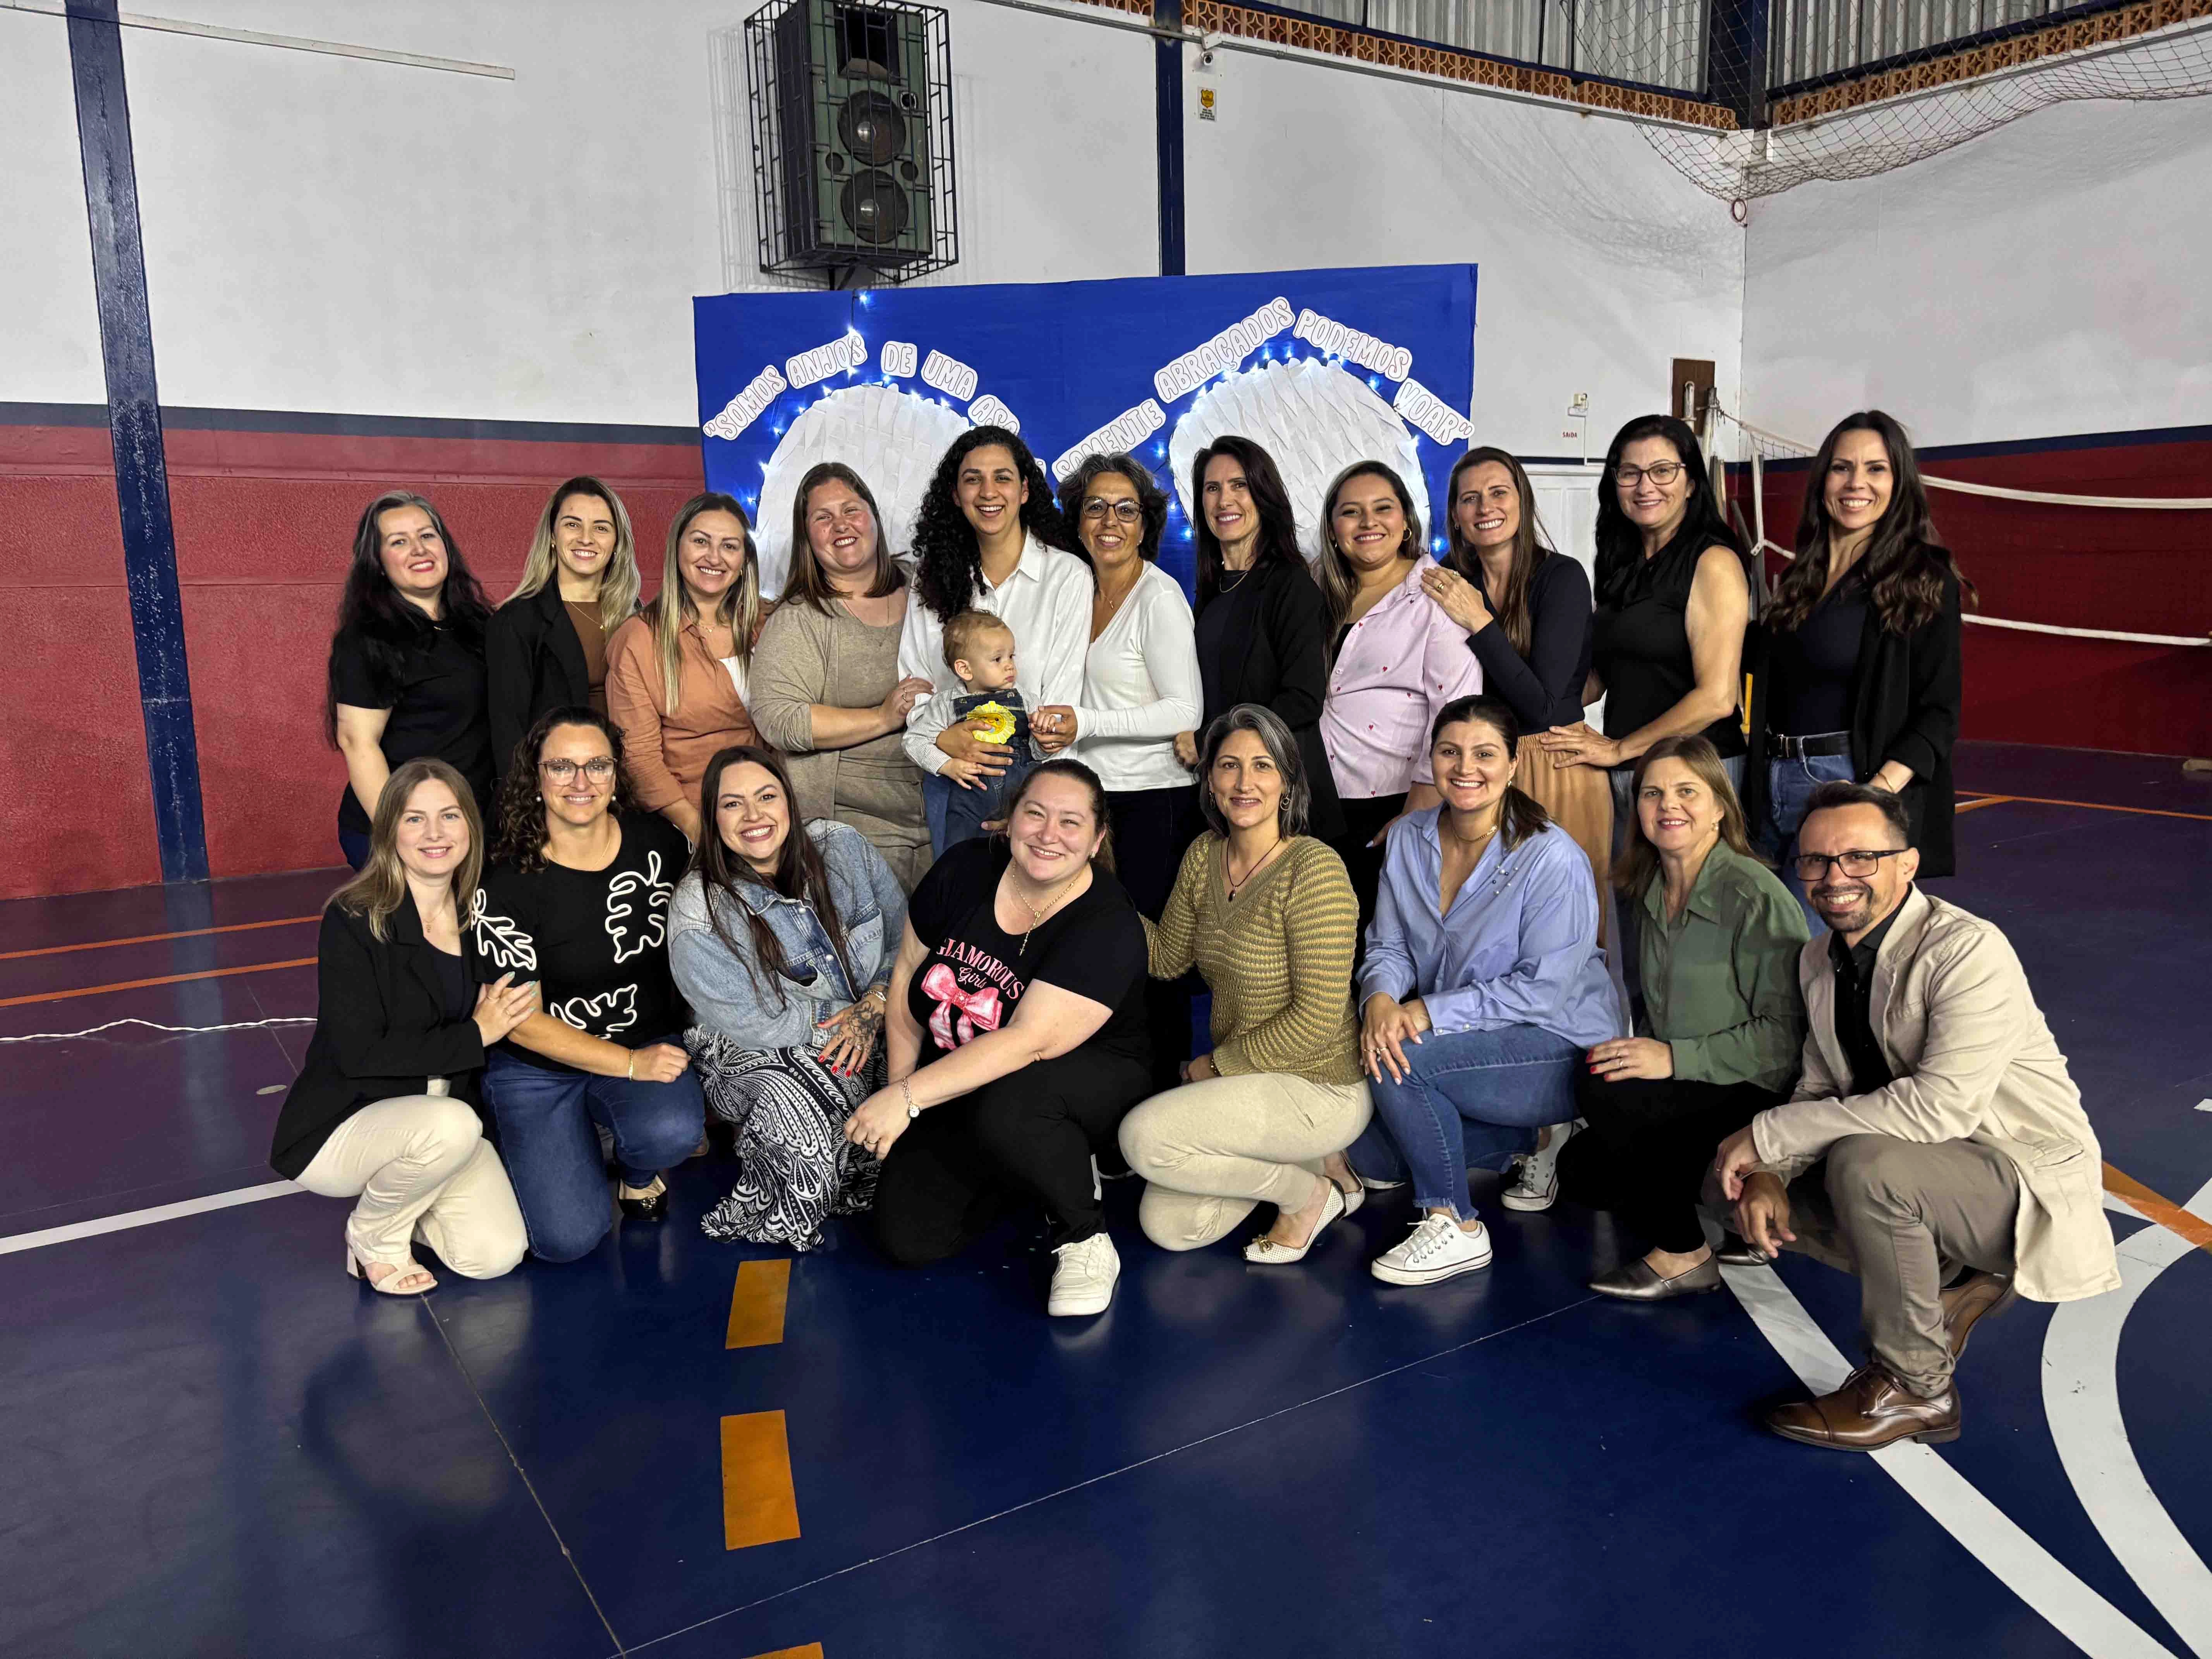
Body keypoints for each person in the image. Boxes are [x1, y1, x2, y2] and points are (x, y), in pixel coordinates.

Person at [1716, 784, 2118, 1446]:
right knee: (1725, 1183)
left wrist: (1768, 1132)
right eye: (1815, 860)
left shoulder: (1967, 950)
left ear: (1907, 864)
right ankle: (1954, 1278)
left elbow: (1940, 1108)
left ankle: (1918, 1388)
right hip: (1928, 1171)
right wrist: (1768, 1169)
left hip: (2017, 1175)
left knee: (1867, 1167)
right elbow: (1819, 1086)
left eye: (1859, 857)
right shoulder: (1818, 959)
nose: (1834, 876)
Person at [848, 761, 1152, 1318]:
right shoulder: (964, 868)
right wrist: (901, 1090)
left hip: (1082, 1079)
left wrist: (908, 1098)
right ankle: (1026, 1166)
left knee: (1012, 1102)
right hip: (967, 1070)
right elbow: (907, 975)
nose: (1048, 834)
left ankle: (1082, 1231)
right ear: (1011, 820)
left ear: (1096, 840)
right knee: (909, 1239)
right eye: (1035, 814)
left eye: (1070, 822)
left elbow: (1027, 1041)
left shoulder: (1107, 923)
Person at [1345, 696, 1618, 1285]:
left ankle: (1455, 1223)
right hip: (1467, 1041)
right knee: (1372, 1158)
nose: (1466, 768)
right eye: (1450, 752)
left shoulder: (1551, 857)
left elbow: (1542, 993)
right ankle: (1535, 1137)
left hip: (1562, 1044)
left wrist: (1424, 1012)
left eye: (1485, 754)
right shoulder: (1409, 838)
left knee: (1402, 1063)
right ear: (1433, 759)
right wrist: (1381, 1000)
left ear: (1514, 765)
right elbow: (1388, 945)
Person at [1119, 705, 1370, 1264]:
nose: (1243, 782)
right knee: (1172, 1225)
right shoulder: (1204, 855)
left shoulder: (1315, 868)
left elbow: (1317, 1018)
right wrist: (1091, 886)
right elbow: (1166, 958)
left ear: (1287, 781)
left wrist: (1214, 1067)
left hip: (1318, 1086)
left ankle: (1308, 1198)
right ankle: (1312, 1171)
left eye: (1262, 766)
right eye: (1229, 765)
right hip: (1249, 1086)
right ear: (1210, 780)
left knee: (1142, 1138)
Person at [1559, 736, 1808, 1299]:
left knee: (1600, 1086)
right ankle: (1720, 1202)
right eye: (1652, 793)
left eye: (1687, 792)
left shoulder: (1755, 895)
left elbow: (1786, 1039)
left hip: (1754, 1087)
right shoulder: (1649, 888)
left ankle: (1685, 1254)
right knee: (1581, 1170)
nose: (1668, 805)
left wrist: (1672, 1059)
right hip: (1692, 1084)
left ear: (1720, 806)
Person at [271, 759, 532, 1293]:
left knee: (495, 1256)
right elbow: (359, 1054)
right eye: (415, 819)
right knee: (452, 1126)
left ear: (470, 827)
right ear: (390, 830)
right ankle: (373, 1237)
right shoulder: (354, 918)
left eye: (450, 816)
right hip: (351, 1124)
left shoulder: (483, 914)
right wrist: (476, 1035)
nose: (435, 833)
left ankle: (410, 1204)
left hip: (443, 1124)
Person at [472, 707, 705, 1262]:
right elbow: (522, 1024)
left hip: (640, 1037)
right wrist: (631, 1067)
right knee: (567, 1241)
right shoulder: (504, 881)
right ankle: (547, 1135)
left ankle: (636, 1169)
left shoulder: (661, 846)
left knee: (671, 1130)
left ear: (616, 774)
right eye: (562, 767)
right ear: (535, 778)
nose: (581, 782)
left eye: (597, 765)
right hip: (537, 1068)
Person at [1537, 416, 1750, 1020]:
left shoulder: (1712, 562)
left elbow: (1717, 697)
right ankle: (1645, 1059)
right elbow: (1599, 677)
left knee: (1693, 941)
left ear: (1691, 481)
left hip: (1695, 774)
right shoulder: (1623, 564)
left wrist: (1619, 748)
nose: (1645, 485)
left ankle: (1701, 1064)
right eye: (1630, 473)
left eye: (1661, 471)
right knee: (1637, 937)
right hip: (1631, 775)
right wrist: (1521, 704)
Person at [668, 745, 906, 1251]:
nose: (753, 816)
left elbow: (905, 938)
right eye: (732, 804)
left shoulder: (843, 846)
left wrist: (877, 1001)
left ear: (789, 802)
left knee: (925, 1081)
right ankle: (777, 1162)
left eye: (766, 797)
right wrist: (850, 1020)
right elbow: (750, 1019)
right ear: (713, 818)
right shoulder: (698, 904)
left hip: (868, 1011)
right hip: (747, 1042)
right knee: (815, 1113)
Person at [1744, 411, 1967, 918]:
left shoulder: (1923, 577)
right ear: (1823, 480)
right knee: (1768, 944)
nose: (1856, 483)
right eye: (1842, 468)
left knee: (1811, 944)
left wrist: (1872, 797)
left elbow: (1938, 712)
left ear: (1899, 481)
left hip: (1845, 780)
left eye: (1876, 469)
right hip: (1772, 782)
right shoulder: (1802, 575)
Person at [1042, 453, 1202, 1088]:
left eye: (1125, 508)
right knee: (1092, 954)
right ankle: (1106, 1093)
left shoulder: (1158, 598)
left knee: (1151, 961)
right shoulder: (1074, 589)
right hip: (1091, 801)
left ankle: (1161, 1095)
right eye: (1095, 507)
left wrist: (1084, 722)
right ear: (1077, 520)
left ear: (1146, 524)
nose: (1109, 521)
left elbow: (1185, 710)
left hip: (1152, 801)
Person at [1419, 447, 1611, 921]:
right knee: (1481, 927)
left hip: (1555, 764)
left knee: (1564, 925)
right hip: (1479, 769)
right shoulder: (1452, 581)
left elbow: (1541, 707)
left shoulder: (1561, 577)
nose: (1485, 507)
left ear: (1522, 501)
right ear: (1456, 515)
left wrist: (1480, 622)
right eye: (1470, 498)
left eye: (1498, 493)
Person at [898, 427, 1091, 855]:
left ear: (1024, 490)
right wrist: (944, 740)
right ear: (955, 495)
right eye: (973, 479)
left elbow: (1060, 704)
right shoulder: (931, 580)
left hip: (1034, 781)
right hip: (952, 779)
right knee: (960, 891)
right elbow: (916, 686)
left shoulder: (1067, 577)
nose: (988, 492)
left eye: (1002, 477)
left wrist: (1037, 802)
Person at [747, 464, 933, 889]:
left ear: (874, 516)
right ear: (807, 538)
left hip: (945, 803)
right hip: (855, 821)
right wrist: (882, 717)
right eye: (823, 517)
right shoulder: (801, 618)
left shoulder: (927, 588)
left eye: (851, 510)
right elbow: (779, 719)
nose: (841, 525)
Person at [1315, 460, 1483, 929]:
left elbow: (1456, 709)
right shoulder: (1319, 592)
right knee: (1324, 948)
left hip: (1394, 800)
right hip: (1319, 800)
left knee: (1387, 945)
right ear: (1333, 530)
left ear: (1407, 521)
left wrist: (1417, 813)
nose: (1368, 522)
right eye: (1351, 512)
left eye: (1383, 508)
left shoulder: (1437, 594)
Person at [1182, 437, 1344, 843]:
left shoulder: (1291, 586)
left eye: (1239, 485)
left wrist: (1208, 742)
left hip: (1283, 800)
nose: (1225, 500)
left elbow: (1303, 699)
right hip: (1228, 795)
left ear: (1264, 495)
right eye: (1212, 488)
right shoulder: (1211, 591)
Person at [327, 491, 495, 871]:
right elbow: (358, 742)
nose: (419, 549)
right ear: (378, 564)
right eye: (399, 542)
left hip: (470, 824)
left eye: (427, 535)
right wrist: (403, 834)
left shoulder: (479, 626)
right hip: (404, 831)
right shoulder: (367, 640)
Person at [608, 491, 768, 844]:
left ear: (745, 560)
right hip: (694, 818)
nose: (714, 557)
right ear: (677, 548)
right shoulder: (639, 640)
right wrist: (705, 837)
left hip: (772, 812)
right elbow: (640, 760)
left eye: (729, 546)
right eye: (701, 541)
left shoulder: (770, 623)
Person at [486, 476, 643, 781]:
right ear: (552, 536)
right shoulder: (515, 621)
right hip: (559, 788)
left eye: (601, 528)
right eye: (573, 525)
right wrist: (526, 802)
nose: (586, 538)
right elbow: (508, 736)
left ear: (617, 543)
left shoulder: (636, 614)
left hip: (630, 783)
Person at [918, 611, 1042, 852]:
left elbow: (1038, 753)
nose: (1010, 665)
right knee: (958, 859)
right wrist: (947, 765)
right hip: (969, 804)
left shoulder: (1026, 699)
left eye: (1011, 656)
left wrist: (1042, 737)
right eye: (998, 659)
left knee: (1019, 860)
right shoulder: (946, 704)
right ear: (965, 669)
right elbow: (915, 740)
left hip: (1021, 800)